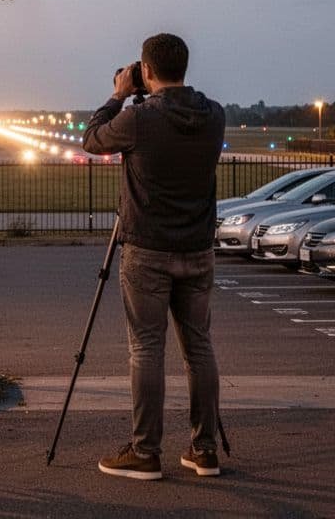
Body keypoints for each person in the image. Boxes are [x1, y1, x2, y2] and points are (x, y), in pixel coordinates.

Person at [82, 32, 227, 481]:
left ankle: (145, 451)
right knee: (199, 348)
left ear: (146, 71)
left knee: (147, 348)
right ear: (184, 67)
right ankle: (204, 450)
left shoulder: (138, 119)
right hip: (199, 249)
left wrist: (117, 95)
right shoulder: (215, 115)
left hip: (147, 249)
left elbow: (91, 139)